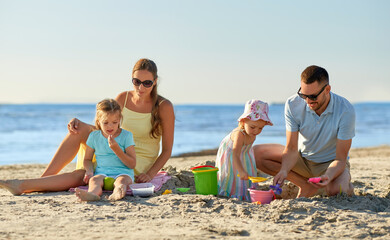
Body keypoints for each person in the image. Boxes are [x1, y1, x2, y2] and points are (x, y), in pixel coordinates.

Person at [0, 58, 175, 195]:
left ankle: (25, 185)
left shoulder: (163, 106)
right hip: (112, 146)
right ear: (132, 79)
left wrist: (150, 174)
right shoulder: (123, 97)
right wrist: (79, 122)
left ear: (155, 81)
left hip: (135, 160)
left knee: (83, 175)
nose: (141, 87)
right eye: (136, 81)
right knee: (79, 129)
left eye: (147, 83)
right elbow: (103, 127)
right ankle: (44, 179)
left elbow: (166, 150)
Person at [253, 65, 355, 198]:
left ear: (327, 90)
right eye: (303, 95)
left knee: (337, 191)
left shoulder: (345, 110)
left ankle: (343, 185)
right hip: (302, 159)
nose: (307, 101)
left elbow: (340, 159)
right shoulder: (292, 104)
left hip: (330, 164)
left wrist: (328, 176)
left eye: (312, 96)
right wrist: (284, 170)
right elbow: (291, 148)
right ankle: (305, 186)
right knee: (256, 154)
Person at [75, 98, 136, 201]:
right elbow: (87, 159)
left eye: (114, 122)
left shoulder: (126, 136)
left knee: (121, 182)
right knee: (94, 181)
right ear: (98, 121)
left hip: (123, 172)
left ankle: (117, 193)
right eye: (105, 122)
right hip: (102, 172)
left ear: (119, 120)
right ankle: (93, 194)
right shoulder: (94, 136)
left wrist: (116, 149)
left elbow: (132, 164)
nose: (110, 126)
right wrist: (89, 171)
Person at [215, 99, 273, 201]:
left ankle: (245, 194)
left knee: (246, 175)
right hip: (232, 155)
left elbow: (245, 151)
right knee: (233, 176)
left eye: (260, 128)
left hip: (244, 154)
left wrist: (244, 169)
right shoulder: (239, 134)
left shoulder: (252, 135)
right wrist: (241, 170)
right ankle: (230, 194)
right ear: (243, 121)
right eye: (253, 127)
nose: (256, 131)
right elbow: (235, 154)